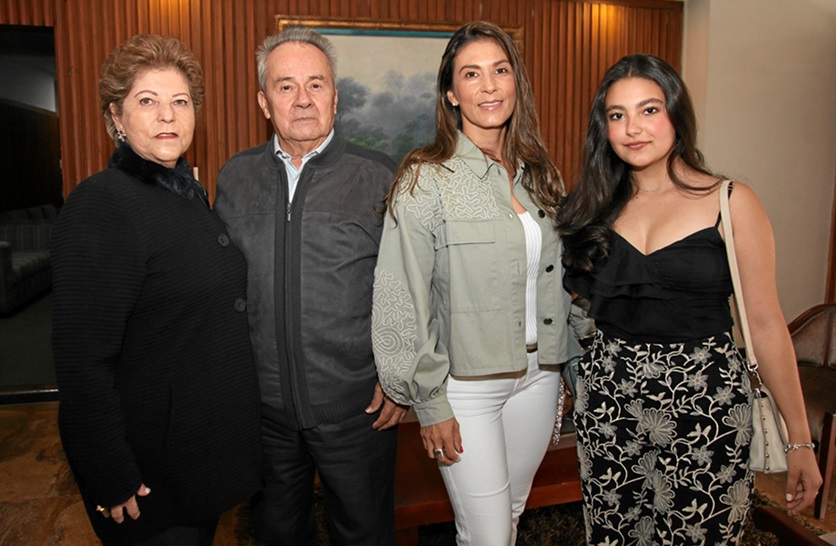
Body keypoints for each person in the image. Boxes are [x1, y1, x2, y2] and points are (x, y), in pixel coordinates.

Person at [559, 54, 822, 545]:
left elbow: (766, 326)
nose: (633, 128)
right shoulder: (591, 207)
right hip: (610, 403)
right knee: (613, 537)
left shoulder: (731, 201)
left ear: (677, 115)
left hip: (707, 404)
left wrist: (799, 439)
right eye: (617, 115)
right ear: (604, 128)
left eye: (649, 110)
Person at [50, 34, 262, 545]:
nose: (167, 115)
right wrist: (109, 472)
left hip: (196, 458)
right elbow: (82, 362)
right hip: (146, 478)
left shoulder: (187, 194)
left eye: (180, 101)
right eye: (148, 101)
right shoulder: (102, 204)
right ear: (117, 118)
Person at [372, 21, 576, 545]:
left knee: (506, 518)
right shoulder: (425, 179)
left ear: (516, 83)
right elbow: (402, 297)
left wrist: (572, 361)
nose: (489, 86)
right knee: (487, 534)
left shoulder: (540, 175)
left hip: (539, 377)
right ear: (451, 93)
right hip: (467, 389)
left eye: (500, 70)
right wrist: (429, 403)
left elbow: (560, 280)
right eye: (471, 74)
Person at [213, 28, 403, 546]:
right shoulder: (235, 177)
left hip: (358, 412)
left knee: (364, 535)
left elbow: (410, 288)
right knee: (275, 535)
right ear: (263, 101)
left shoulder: (379, 177)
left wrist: (398, 374)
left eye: (316, 85)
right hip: (264, 415)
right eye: (285, 86)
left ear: (335, 97)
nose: (302, 100)